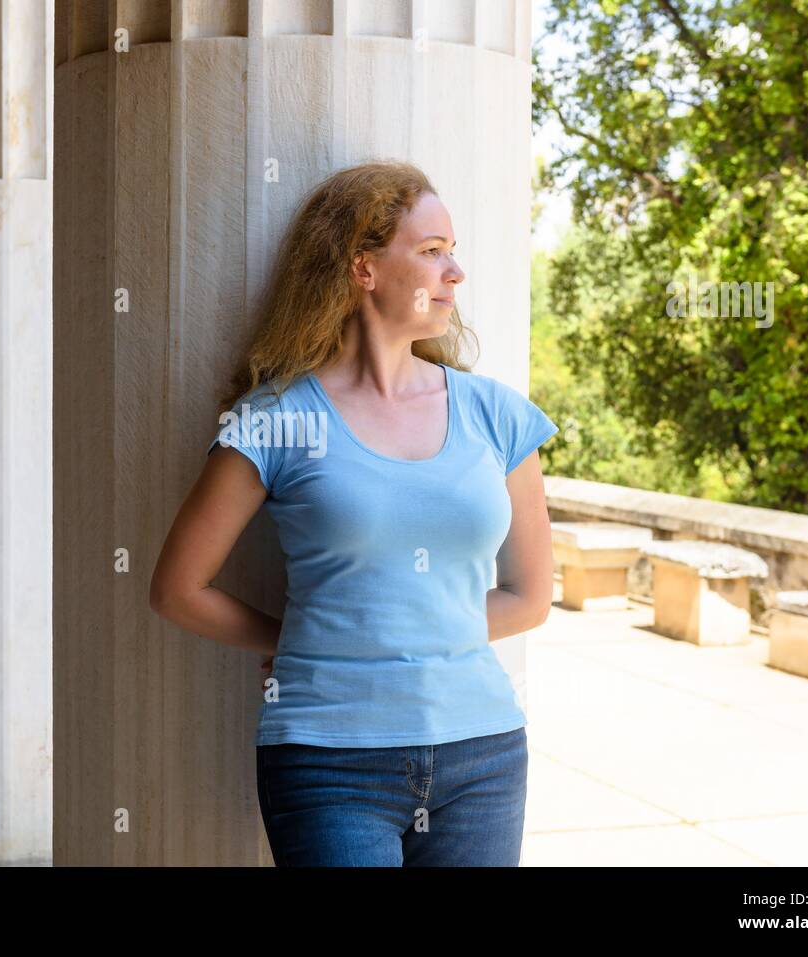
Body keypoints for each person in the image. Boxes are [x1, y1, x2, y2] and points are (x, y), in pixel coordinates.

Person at [149, 160, 558, 866]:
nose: (454, 272)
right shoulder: (276, 418)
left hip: (483, 755)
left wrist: (416, 631)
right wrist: (302, 640)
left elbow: (530, 596)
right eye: (431, 252)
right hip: (327, 761)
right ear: (362, 268)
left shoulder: (497, 416)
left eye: (453, 251)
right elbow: (177, 588)